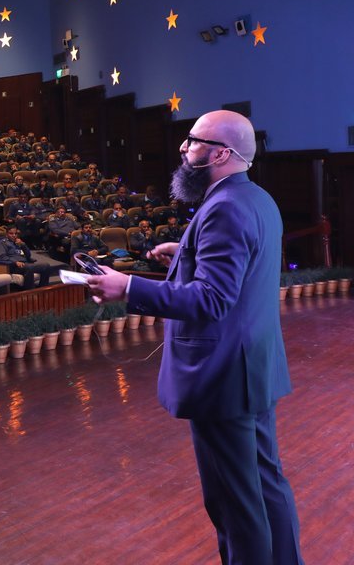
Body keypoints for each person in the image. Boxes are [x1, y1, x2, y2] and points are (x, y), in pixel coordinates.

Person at [85, 110, 303, 565]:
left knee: (234, 504)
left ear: (221, 152)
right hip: (253, 366)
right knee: (266, 485)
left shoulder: (222, 207)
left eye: (193, 141)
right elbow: (235, 277)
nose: (184, 149)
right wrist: (184, 253)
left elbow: (211, 300)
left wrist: (126, 287)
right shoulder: (256, 198)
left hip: (222, 374)